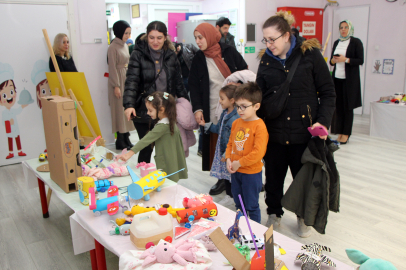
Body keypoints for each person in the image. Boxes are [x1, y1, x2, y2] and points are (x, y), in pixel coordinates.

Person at [256, 11, 335, 236]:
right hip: (275, 131)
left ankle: (303, 216)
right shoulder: (266, 59)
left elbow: (328, 92)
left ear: (287, 35)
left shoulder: (309, 54)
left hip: (304, 132)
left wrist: (323, 121)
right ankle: (274, 212)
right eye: (266, 40)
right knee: (273, 176)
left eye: (273, 39)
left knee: (303, 178)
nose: (269, 44)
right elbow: (259, 95)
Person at [189, 22, 247, 195]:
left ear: (209, 35)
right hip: (212, 107)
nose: (198, 42)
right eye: (196, 38)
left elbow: (245, 71)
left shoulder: (228, 51)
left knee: (238, 142)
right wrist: (198, 109)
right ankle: (222, 179)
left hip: (235, 106)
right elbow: (194, 86)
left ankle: (241, 176)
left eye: (201, 37)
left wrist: (238, 86)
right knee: (218, 144)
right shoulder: (199, 58)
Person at [123, 21, 188, 164]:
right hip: (144, 110)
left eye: (159, 37)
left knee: (165, 148)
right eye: (151, 37)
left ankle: (164, 181)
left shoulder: (171, 55)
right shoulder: (137, 54)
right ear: (147, 36)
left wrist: (187, 104)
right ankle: (144, 180)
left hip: (165, 110)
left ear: (165, 37)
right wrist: (128, 105)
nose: (155, 41)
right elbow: (131, 81)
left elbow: (178, 82)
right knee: (146, 146)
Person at [120, 92, 188, 182]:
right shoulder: (170, 122)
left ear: (161, 109)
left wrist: (128, 154)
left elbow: (145, 140)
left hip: (167, 162)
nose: (148, 113)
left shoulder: (162, 126)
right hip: (173, 161)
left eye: (150, 110)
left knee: (167, 182)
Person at [225, 82, 268, 223]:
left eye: (244, 106)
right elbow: (230, 144)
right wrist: (228, 159)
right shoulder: (236, 123)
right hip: (235, 171)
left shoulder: (260, 126)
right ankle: (241, 228)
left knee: (251, 205)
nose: (240, 110)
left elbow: (258, 153)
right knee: (239, 204)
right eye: (238, 106)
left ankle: (255, 233)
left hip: (251, 174)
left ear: (256, 106)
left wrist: (239, 163)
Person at [203, 85, 240, 205]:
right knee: (226, 175)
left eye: (222, 98)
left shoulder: (236, 118)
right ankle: (230, 196)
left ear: (232, 100)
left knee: (232, 176)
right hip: (224, 150)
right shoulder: (224, 113)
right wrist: (207, 125)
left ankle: (234, 197)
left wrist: (227, 153)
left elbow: (236, 140)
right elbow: (219, 128)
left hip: (230, 153)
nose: (220, 101)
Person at [330, 20, 364, 144]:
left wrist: (346, 59)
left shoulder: (356, 42)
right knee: (338, 107)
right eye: (341, 27)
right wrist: (334, 60)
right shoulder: (336, 42)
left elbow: (360, 60)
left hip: (350, 81)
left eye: (346, 27)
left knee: (348, 107)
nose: (343, 29)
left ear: (350, 29)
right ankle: (339, 132)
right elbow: (331, 62)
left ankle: (346, 133)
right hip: (337, 79)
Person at [108, 20, 135, 150]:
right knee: (119, 110)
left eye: (129, 33)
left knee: (126, 109)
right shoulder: (113, 47)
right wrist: (116, 85)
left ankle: (126, 137)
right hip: (118, 80)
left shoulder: (124, 45)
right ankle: (120, 139)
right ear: (119, 32)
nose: (128, 36)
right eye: (126, 33)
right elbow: (112, 68)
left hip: (126, 77)